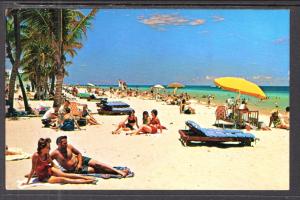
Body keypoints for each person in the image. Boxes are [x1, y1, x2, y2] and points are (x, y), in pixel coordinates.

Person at [23, 138, 95, 185]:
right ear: (42, 148)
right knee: (64, 179)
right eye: (48, 147)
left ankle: (87, 178)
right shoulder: (35, 156)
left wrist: (58, 170)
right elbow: (33, 169)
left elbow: (52, 163)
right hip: (44, 176)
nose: (50, 148)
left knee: (66, 175)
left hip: (49, 169)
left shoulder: (47, 154)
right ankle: (87, 181)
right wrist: (27, 182)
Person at [50, 136, 129, 177]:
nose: (66, 144)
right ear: (59, 144)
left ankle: (118, 171)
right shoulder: (55, 153)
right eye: (64, 143)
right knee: (93, 170)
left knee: (98, 164)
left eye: (66, 142)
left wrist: (80, 163)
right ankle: (115, 172)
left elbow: (79, 154)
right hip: (75, 169)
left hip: (81, 160)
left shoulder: (69, 146)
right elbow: (46, 161)